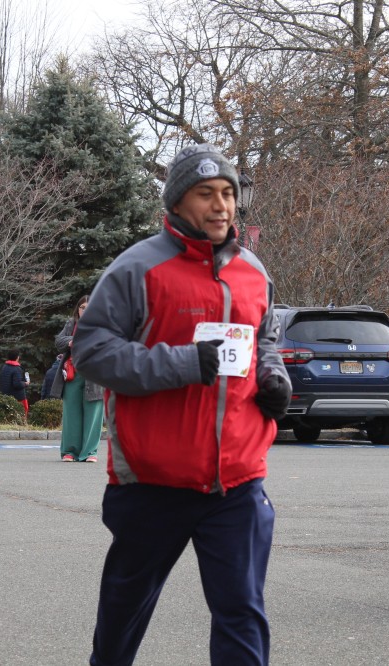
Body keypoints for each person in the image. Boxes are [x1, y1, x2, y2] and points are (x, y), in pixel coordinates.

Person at [72, 143, 292, 666]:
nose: (221, 206)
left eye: (228, 194)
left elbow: (263, 340)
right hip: (153, 482)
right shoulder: (136, 268)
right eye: (205, 194)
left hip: (237, 481)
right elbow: (92, 351)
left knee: (241, 611)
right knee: (124, 611)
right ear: (176, 203)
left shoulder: (253, 271)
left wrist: (273, 374)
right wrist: (184, 363)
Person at [50, 295, 105, 463]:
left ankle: (90, 452)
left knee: (93, 413)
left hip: (95, 375)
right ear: (78, 309)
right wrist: (72, 341)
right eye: (82, 308)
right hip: (72, 374)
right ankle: (70, 452)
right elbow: (59, 341)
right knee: (71, 413)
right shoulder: (71, 324)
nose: (85, 311)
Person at [0, 348, 29, 418]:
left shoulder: (4, 367)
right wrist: (25, 383)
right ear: (17, 357)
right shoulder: (17, 369)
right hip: (18, 397)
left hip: (6, 395)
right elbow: (17, 384)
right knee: (22, 414)